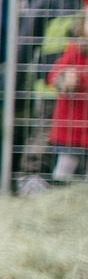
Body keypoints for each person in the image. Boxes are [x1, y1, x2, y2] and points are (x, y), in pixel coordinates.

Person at [15, 0, 88, 192]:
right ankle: (31, 175)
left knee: (72, 135)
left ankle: (64, 183)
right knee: (46, 130)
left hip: (80, 87)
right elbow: (26, 40)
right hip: (51, 82)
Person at [47, 12, 88, 182]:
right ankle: (60, 196)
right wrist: (64, 78)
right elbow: (54, 74)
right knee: (65, 166)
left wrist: (80, 78)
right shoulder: (74, 49)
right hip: (72, 126)